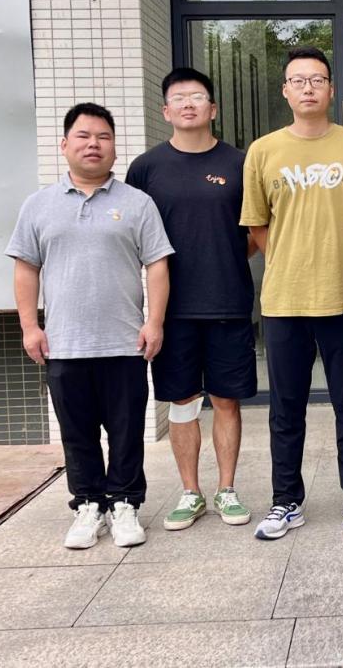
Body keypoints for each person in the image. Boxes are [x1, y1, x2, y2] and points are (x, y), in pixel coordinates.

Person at [6, 103, 174, 549]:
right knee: (77, 432)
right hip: (64, 343)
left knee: (126, 431)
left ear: (114, 147)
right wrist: (30, 327)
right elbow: (26, 268)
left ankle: (125, 503)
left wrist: (154, 322)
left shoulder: (137, 203)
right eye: (83, 136)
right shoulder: (38, 205)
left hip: (124, 341)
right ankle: (88, 504)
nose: (93, 144)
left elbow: (157, 265)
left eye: (103, 137)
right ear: (65, 145)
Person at [240, 46, 343, 541]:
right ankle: (286, 500)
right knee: (286, 408)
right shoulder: (263, 151)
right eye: (298, 80)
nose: (308, 88)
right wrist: (291, 260)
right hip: (285, 301)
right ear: (285, 90)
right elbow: (257, 227)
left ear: (331, 89)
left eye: (317, 79)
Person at [126, 68, 257, 531]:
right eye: (179, 98)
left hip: (228, 302)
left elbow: (254, 231)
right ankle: (190, 492)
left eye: (197, 97)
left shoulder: (240, 163)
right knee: (181, 403)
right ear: (165, 111)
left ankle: (226, 490)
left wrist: (221, 256)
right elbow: (136, 236)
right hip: (172, 310)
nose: (188, 104)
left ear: (212, 108)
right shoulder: (146, 168)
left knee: (226, 401)